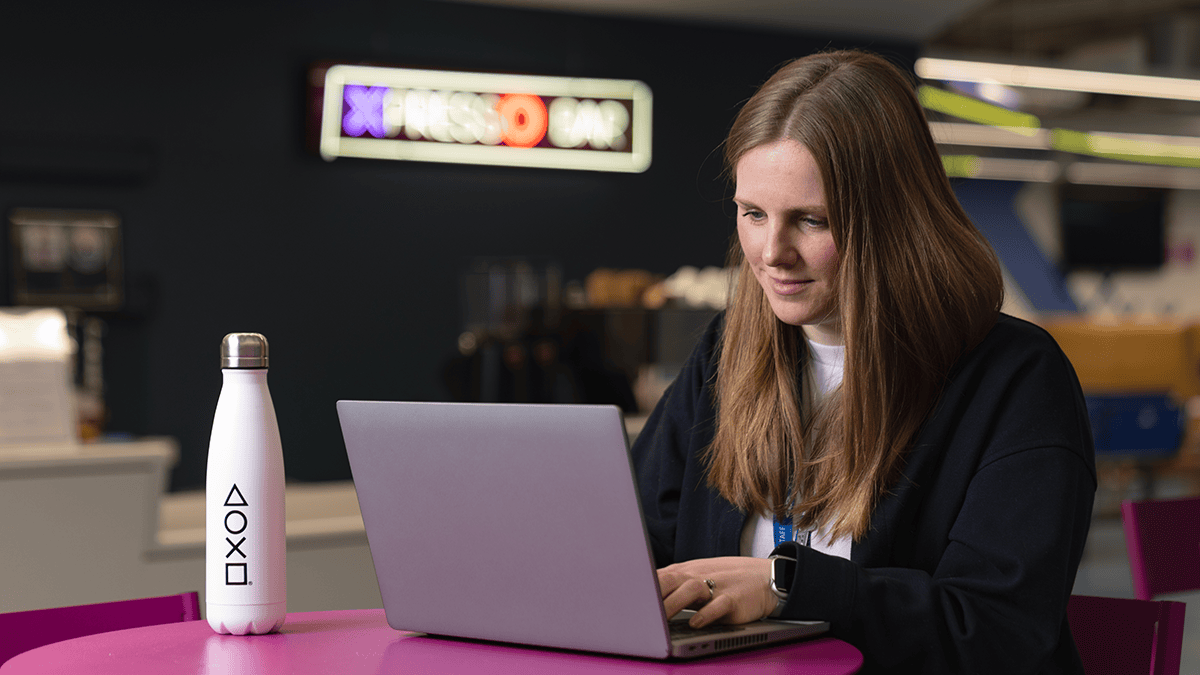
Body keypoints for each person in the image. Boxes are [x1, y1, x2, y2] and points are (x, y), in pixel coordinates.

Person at [630, 50, 1096, 674]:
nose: (772, 253)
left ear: (894, 221)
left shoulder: (1014, 379)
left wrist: (786, 584)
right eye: (753, 214)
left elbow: (996, 631)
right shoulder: (727, 350)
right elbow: (638, 549)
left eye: (811, 220)